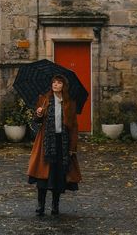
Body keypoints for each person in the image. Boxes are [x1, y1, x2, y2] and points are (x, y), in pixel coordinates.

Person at [27, 75, 81, 217]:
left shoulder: (69, 103)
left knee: (58, 176)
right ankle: (41, 205)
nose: (55, 85)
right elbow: (36, 121)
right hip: (45, 142)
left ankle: (55, 206)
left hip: (61, 143)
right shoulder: (44, 99)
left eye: (59, 83)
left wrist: (72, 148)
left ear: (64, 86)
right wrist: (38, 114)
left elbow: (74, 127)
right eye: (54, 82)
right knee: (42, 174)